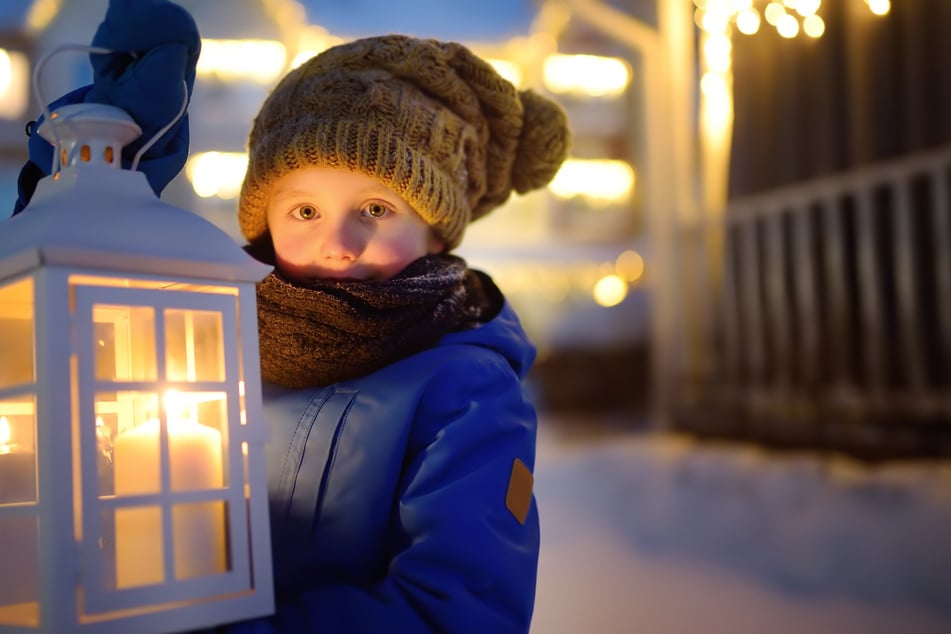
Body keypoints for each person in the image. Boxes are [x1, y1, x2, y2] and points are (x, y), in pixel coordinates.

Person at [12, 1, 571, 632]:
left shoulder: (464, 392)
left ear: (437, 232)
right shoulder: (206, 333)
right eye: (305, 211)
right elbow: (65, 370)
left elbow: (459, 610)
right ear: (267, 220)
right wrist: (82, 184)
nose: (339, 242)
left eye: (377, 209)